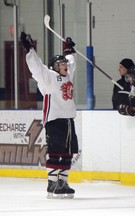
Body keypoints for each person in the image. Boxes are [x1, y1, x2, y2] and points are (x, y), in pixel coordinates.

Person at [20, 32, 79, 199]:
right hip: (54, 120)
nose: (65, 66)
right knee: (55, 152)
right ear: (54, 66)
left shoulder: (68, 75)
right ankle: (52, 184)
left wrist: (69, 50)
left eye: (65, 63)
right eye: (61, 64)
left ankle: (63, 182)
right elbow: (37, 66)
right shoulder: (48, 77)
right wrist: (29, 49)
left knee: (68, 153)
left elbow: (73, 63)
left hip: (68, 120)